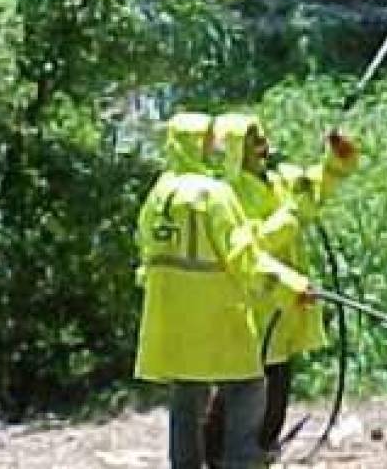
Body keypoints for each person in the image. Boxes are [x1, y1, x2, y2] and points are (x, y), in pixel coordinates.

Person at [134, 112, 316, 469]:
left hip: (170, 316)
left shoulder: (158, 194)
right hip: (217, 314)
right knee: (248, 386)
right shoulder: (214, 194)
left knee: (186, 394)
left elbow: (145, 249)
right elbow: (243, 255)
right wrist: (292, 286)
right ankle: (241, 461)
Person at [204, 113, 359, 456]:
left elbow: (316, 186)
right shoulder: (227, 196)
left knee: (279, 378)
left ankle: (263, 448)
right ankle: (215, 454)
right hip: (254, 301)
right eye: (252, 141)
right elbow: (253, 243)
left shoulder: (281, 180)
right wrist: (291, 217)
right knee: (243, 382)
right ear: (234, 149)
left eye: (261, 138)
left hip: (286, 301)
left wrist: (336, 156)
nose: (263, 146)